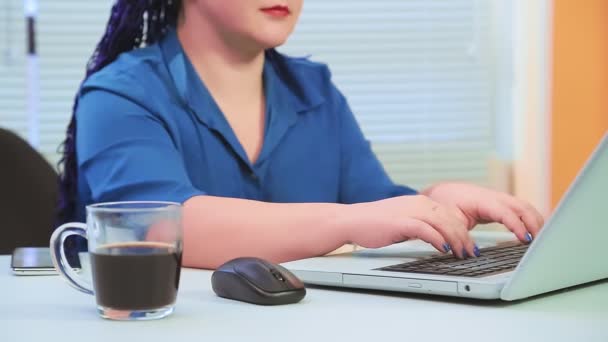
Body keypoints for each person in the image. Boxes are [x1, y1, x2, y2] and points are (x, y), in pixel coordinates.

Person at [58, 0, 544, 269]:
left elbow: (375, 209)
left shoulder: (315, 90)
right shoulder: (118, 94)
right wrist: (351, 223)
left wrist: (437, 201)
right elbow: (161, 228)